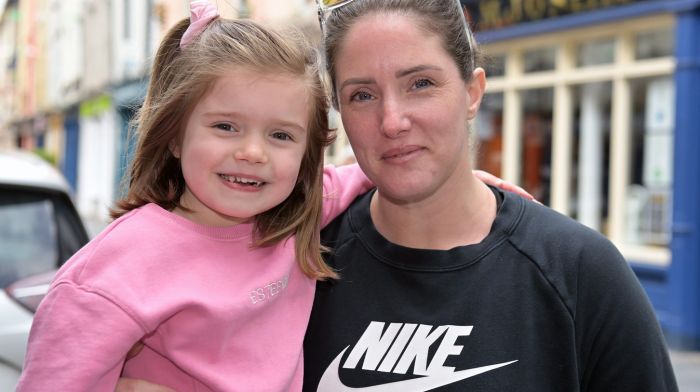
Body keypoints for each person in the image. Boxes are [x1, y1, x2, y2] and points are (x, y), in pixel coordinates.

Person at [301, 0, 679, 391]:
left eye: (421, 84)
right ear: (340, 113)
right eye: (362, 95)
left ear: (472, 92)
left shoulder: (578, 271)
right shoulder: (299, 263)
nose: (392, 121)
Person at [15, 1, 377, 390]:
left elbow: (370, 173)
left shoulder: (297, 215)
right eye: (225, 126)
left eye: (281, 135)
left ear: (306, 153)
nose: (253, 153)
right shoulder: (113, 273)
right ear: (174, 135)